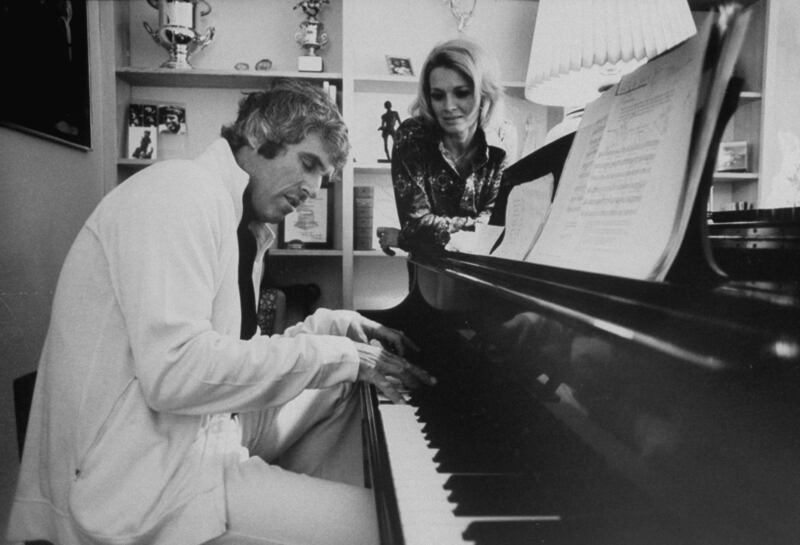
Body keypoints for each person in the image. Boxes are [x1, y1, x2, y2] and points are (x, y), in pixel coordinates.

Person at [6, 79, 435, 545]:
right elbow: (177, 372)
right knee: (388, 527)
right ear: (258, 137)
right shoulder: (179, 193)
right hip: (144, 481)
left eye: (323, 177)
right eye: (308, 163)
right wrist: (339, 356)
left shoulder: (237, 219)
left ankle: (287, 505)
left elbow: (228, 360)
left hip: (200, 435)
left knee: (342, 387)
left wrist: (336, 330)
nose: (313, 189)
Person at [377, 38, 507, 255]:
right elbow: (415, 224)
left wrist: (404, 238)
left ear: (483, 93)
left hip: (485, 273)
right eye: (438, 95)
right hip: (429, 276)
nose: (448, 106)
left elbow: (497, 228)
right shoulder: (411, 136)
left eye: (462, 93)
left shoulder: (502, 139)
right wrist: (410, 235)